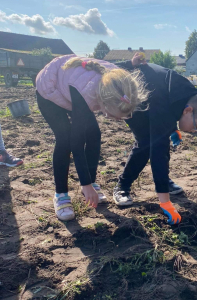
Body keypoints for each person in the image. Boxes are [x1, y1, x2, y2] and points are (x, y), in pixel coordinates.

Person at [35, 53, 148, 221]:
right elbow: (77, 143)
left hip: (72, 86)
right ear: (103, 103)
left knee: (94, 134)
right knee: (65, 138)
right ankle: (61, 194)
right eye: (116, 116)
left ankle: (91, 182)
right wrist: (84, 183)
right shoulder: (86, 94)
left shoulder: (118, 82)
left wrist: (130, 63)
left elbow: (104, 63)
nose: (119, 120)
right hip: (50, 90)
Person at [113, 64, 197, 225]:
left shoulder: (191, 96)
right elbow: (159, 153)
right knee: (146, 143)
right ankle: (122, 186)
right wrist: (165, 202)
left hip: (153, 96)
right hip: (128, 95)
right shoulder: (164, 104)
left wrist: (172, 129)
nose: (194, 131)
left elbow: (172, 111)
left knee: (158, 138)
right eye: (196, 127)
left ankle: (164, 181)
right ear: (188, 111)